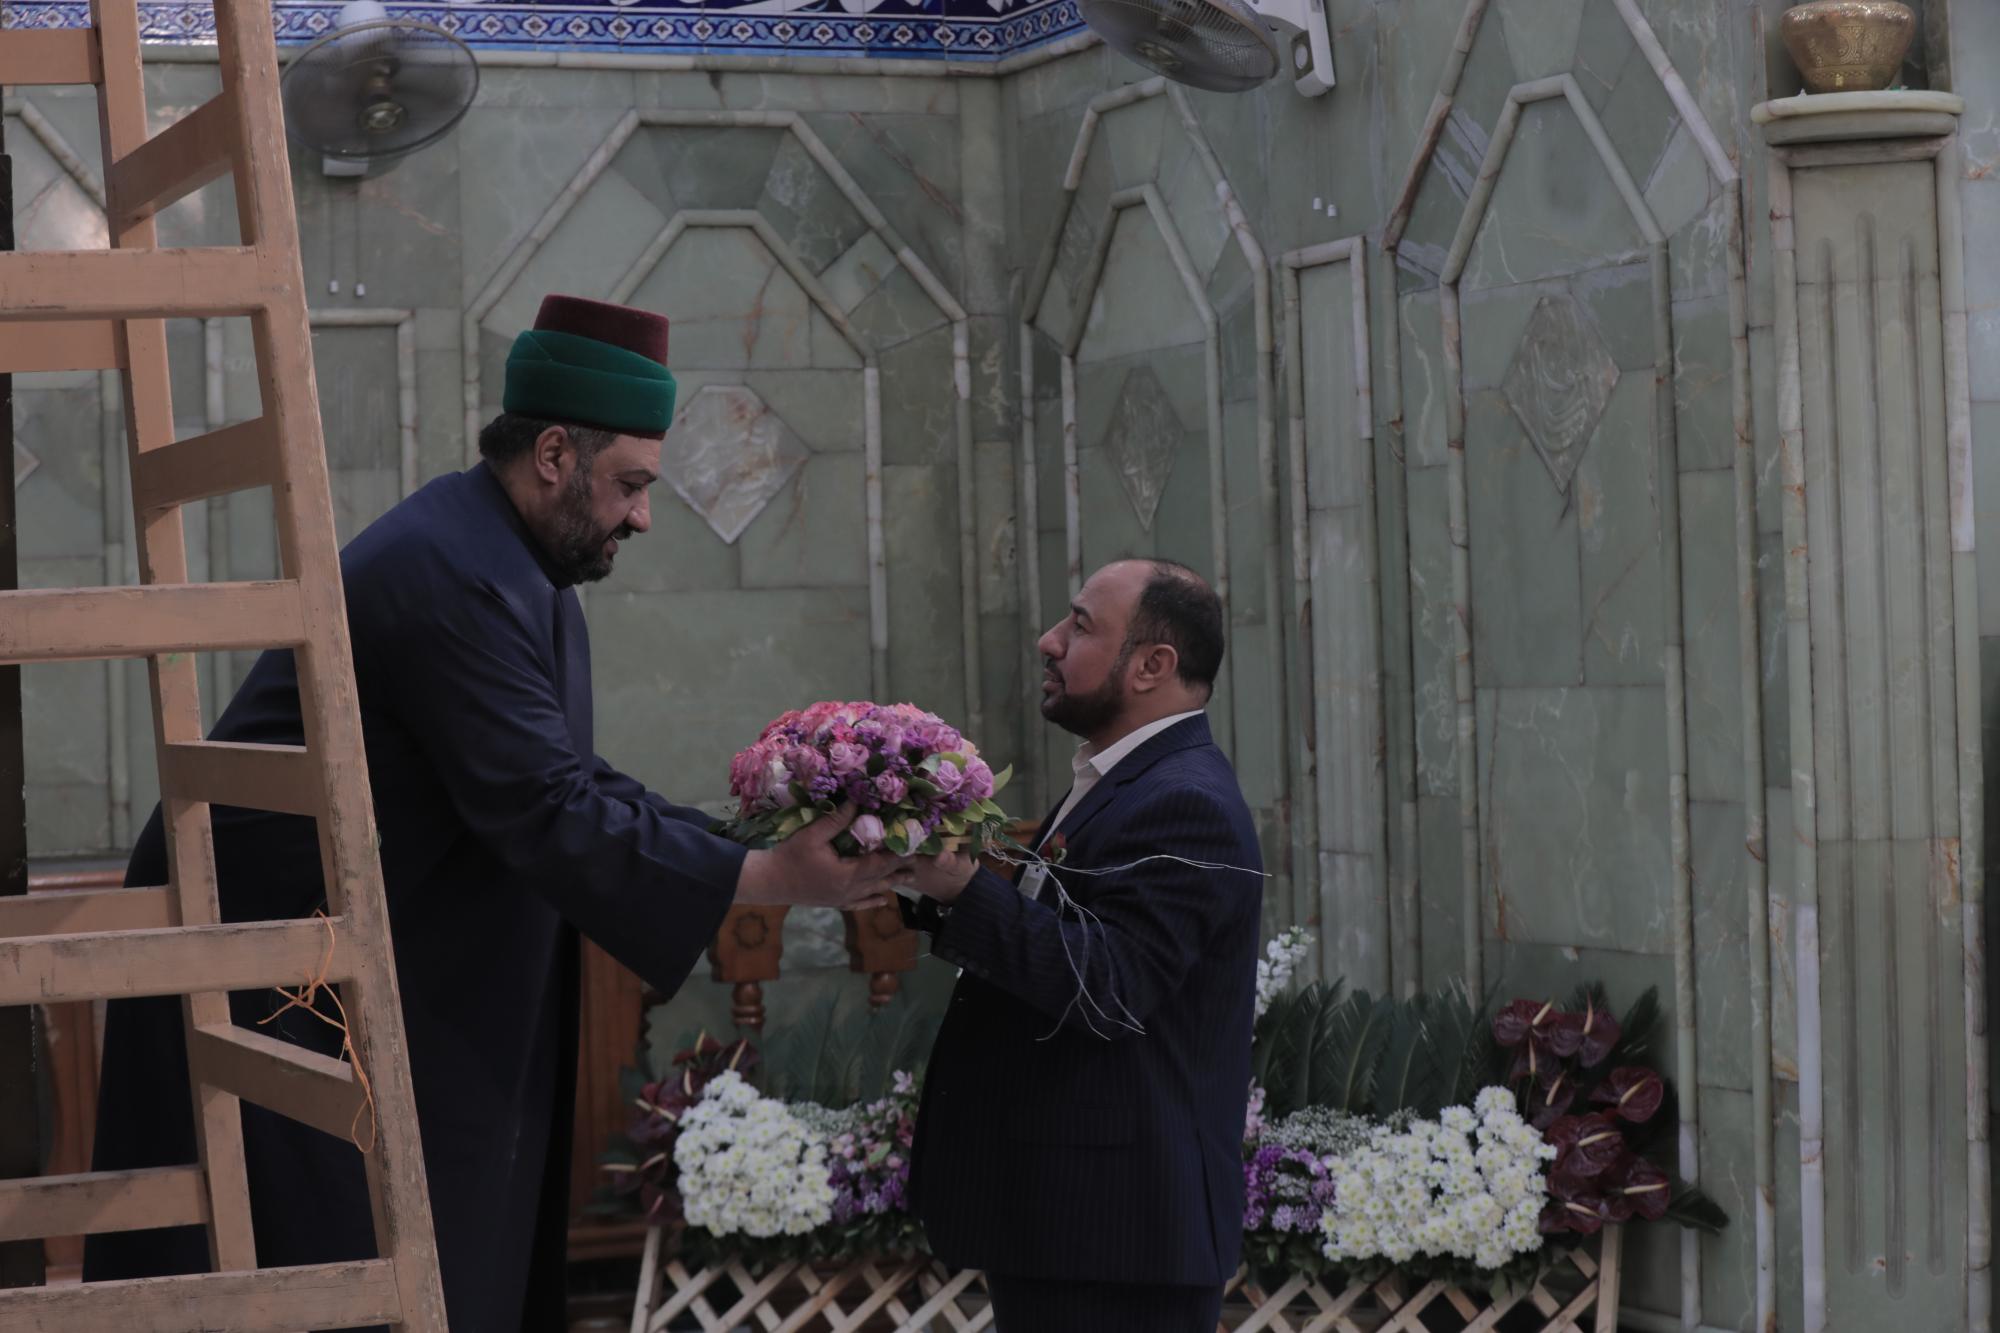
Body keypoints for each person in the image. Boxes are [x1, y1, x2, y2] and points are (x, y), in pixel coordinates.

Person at [84, 295, 901, 1329]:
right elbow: (546, 804)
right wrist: (770, 879)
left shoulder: (511, 560)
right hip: (274, 982)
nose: (642, 517)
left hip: (359, 965)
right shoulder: (450, 571)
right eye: (631, 485)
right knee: (330, 1279)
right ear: (554, 454)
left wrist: (745, 845)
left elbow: (571, 776)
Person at [897, 558, 1263, 1331]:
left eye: (1080, 624)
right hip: (1074, 1229)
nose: (1048, 639)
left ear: (1152, 665)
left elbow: (1112, 984)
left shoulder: (1185, 800)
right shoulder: (1127, 777)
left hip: (1118, 1239)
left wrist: (964, 888)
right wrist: (921, 878)